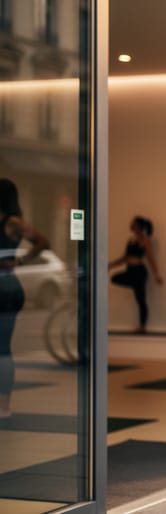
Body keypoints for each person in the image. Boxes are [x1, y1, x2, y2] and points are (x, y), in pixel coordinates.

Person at [0, 178, 50, 418]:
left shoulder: (12, 222)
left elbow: (42, 241)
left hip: (6, 287)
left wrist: (20, 261)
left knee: (2, 348)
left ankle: (4, 405)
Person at [109, 215, 162, 333]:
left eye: (132, 223)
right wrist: (111, 265)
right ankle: (134, 285)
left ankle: (142, 327)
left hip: (139, 271)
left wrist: (156, 275)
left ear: (137, 226)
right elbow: (124, 258)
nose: (130, 225)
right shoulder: (130, 240)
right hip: (130, 270)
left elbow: (150, 258)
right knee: (114, 278)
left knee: (141, 300)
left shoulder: (145, 241)